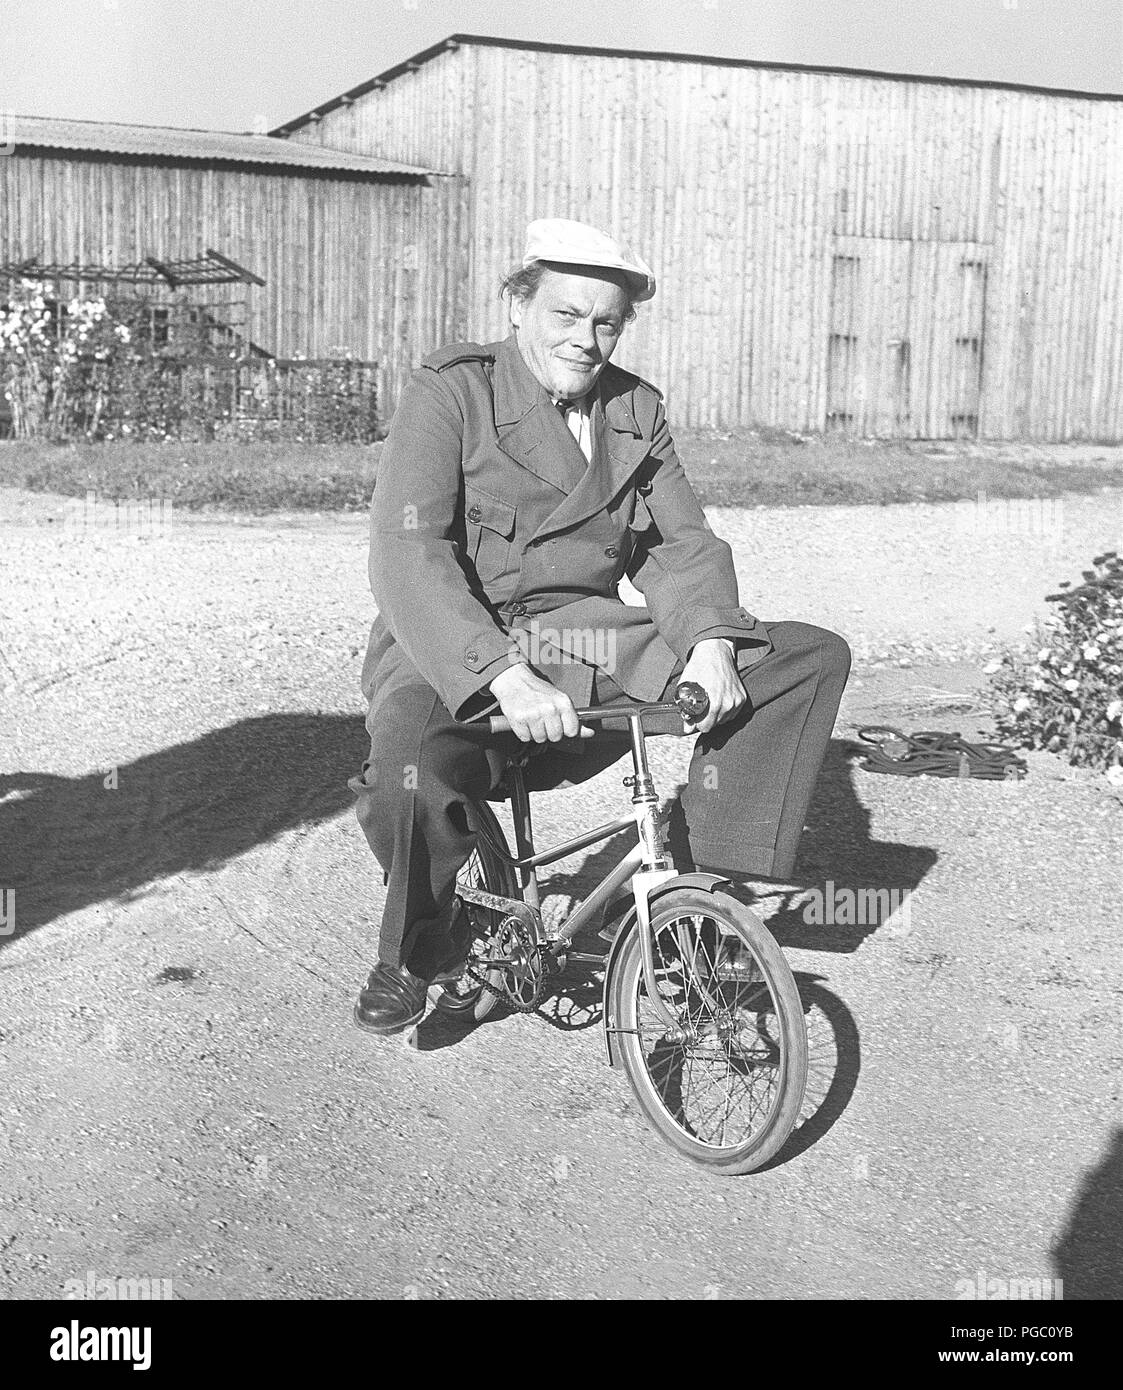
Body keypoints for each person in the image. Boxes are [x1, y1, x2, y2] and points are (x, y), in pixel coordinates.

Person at [349, 217, 851, 1033]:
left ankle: (697, 898)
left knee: (804, 659)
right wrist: (498, 675)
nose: (586, 340)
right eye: (565, 315)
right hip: (454, 635)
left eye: (605, 321)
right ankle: (420, 944)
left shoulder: (633, 409)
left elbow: (678, 542)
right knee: (405, 771)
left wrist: (711, 644)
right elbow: (407, 550)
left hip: (578, 633)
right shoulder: (454, 390)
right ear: (518, 307)